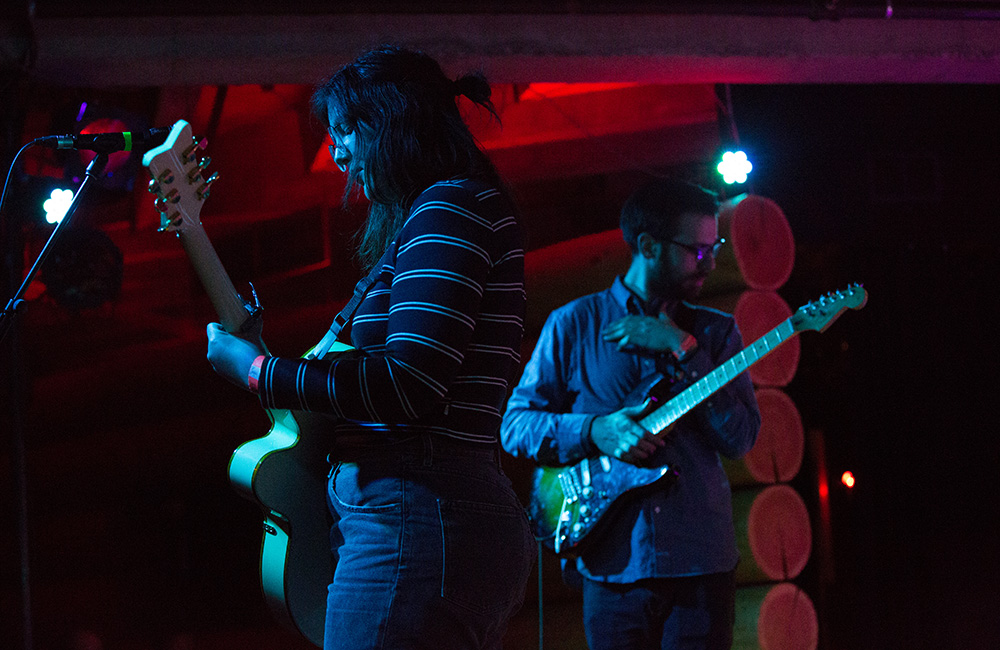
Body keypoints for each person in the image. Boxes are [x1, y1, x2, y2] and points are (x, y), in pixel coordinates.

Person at [206, 45, 534, 649]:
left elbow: (409, 383)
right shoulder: (443, 212)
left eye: (345, 131)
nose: (336, 152)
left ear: (390, 121)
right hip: (424, 514)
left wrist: (258, 371)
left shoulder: (448, 209)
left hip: (418, 512)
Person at [501, 178, 761, 650]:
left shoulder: (714, 334)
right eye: (696, 250)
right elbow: (516, 426)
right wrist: (595, 430)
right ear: (648, 246)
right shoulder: (574, 324)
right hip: (612, 566)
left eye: (714, 248)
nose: (710, 262)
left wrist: (685, 349)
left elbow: (741, 438)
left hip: (702, 566)